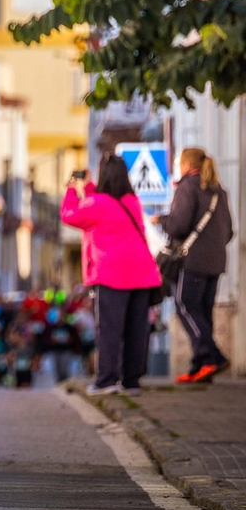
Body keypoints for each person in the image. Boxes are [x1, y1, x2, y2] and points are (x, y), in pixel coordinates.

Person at [61, 155, 162, 397]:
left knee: (109, 330)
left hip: (111, 275)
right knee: (136, 329)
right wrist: (88, 187)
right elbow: (107, 201)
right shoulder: (133, 201)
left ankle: (106, 379)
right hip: (142, 274)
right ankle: (131, 381)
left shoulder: (96, 204)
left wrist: (71, 192)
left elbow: (70, 215)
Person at [159, 147, 235, 383]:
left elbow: (179, 226)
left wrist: (161, 220)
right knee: (203, 312)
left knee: (185, 305)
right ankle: (200, 367)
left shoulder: (187, 187)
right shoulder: (218, 192)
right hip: (216, 261)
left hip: (192, 261)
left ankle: (212, 356)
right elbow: (229, 231)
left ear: (185, 164)